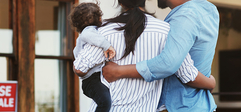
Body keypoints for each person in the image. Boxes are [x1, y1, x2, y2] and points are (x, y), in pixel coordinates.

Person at [73, 0, 214, 111]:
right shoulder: (165, 30)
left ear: (119, 2)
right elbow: (186, 73)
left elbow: (80, 68)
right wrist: (211, 82)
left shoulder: (102, 32)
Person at [70, 2, 116, 112]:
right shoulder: (89, 31)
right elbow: (88, 35)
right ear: (99, 18)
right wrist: (107, 46)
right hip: (91, 80)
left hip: (92, 80)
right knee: (105, 102)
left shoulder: (85, 35)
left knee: (104, 102)